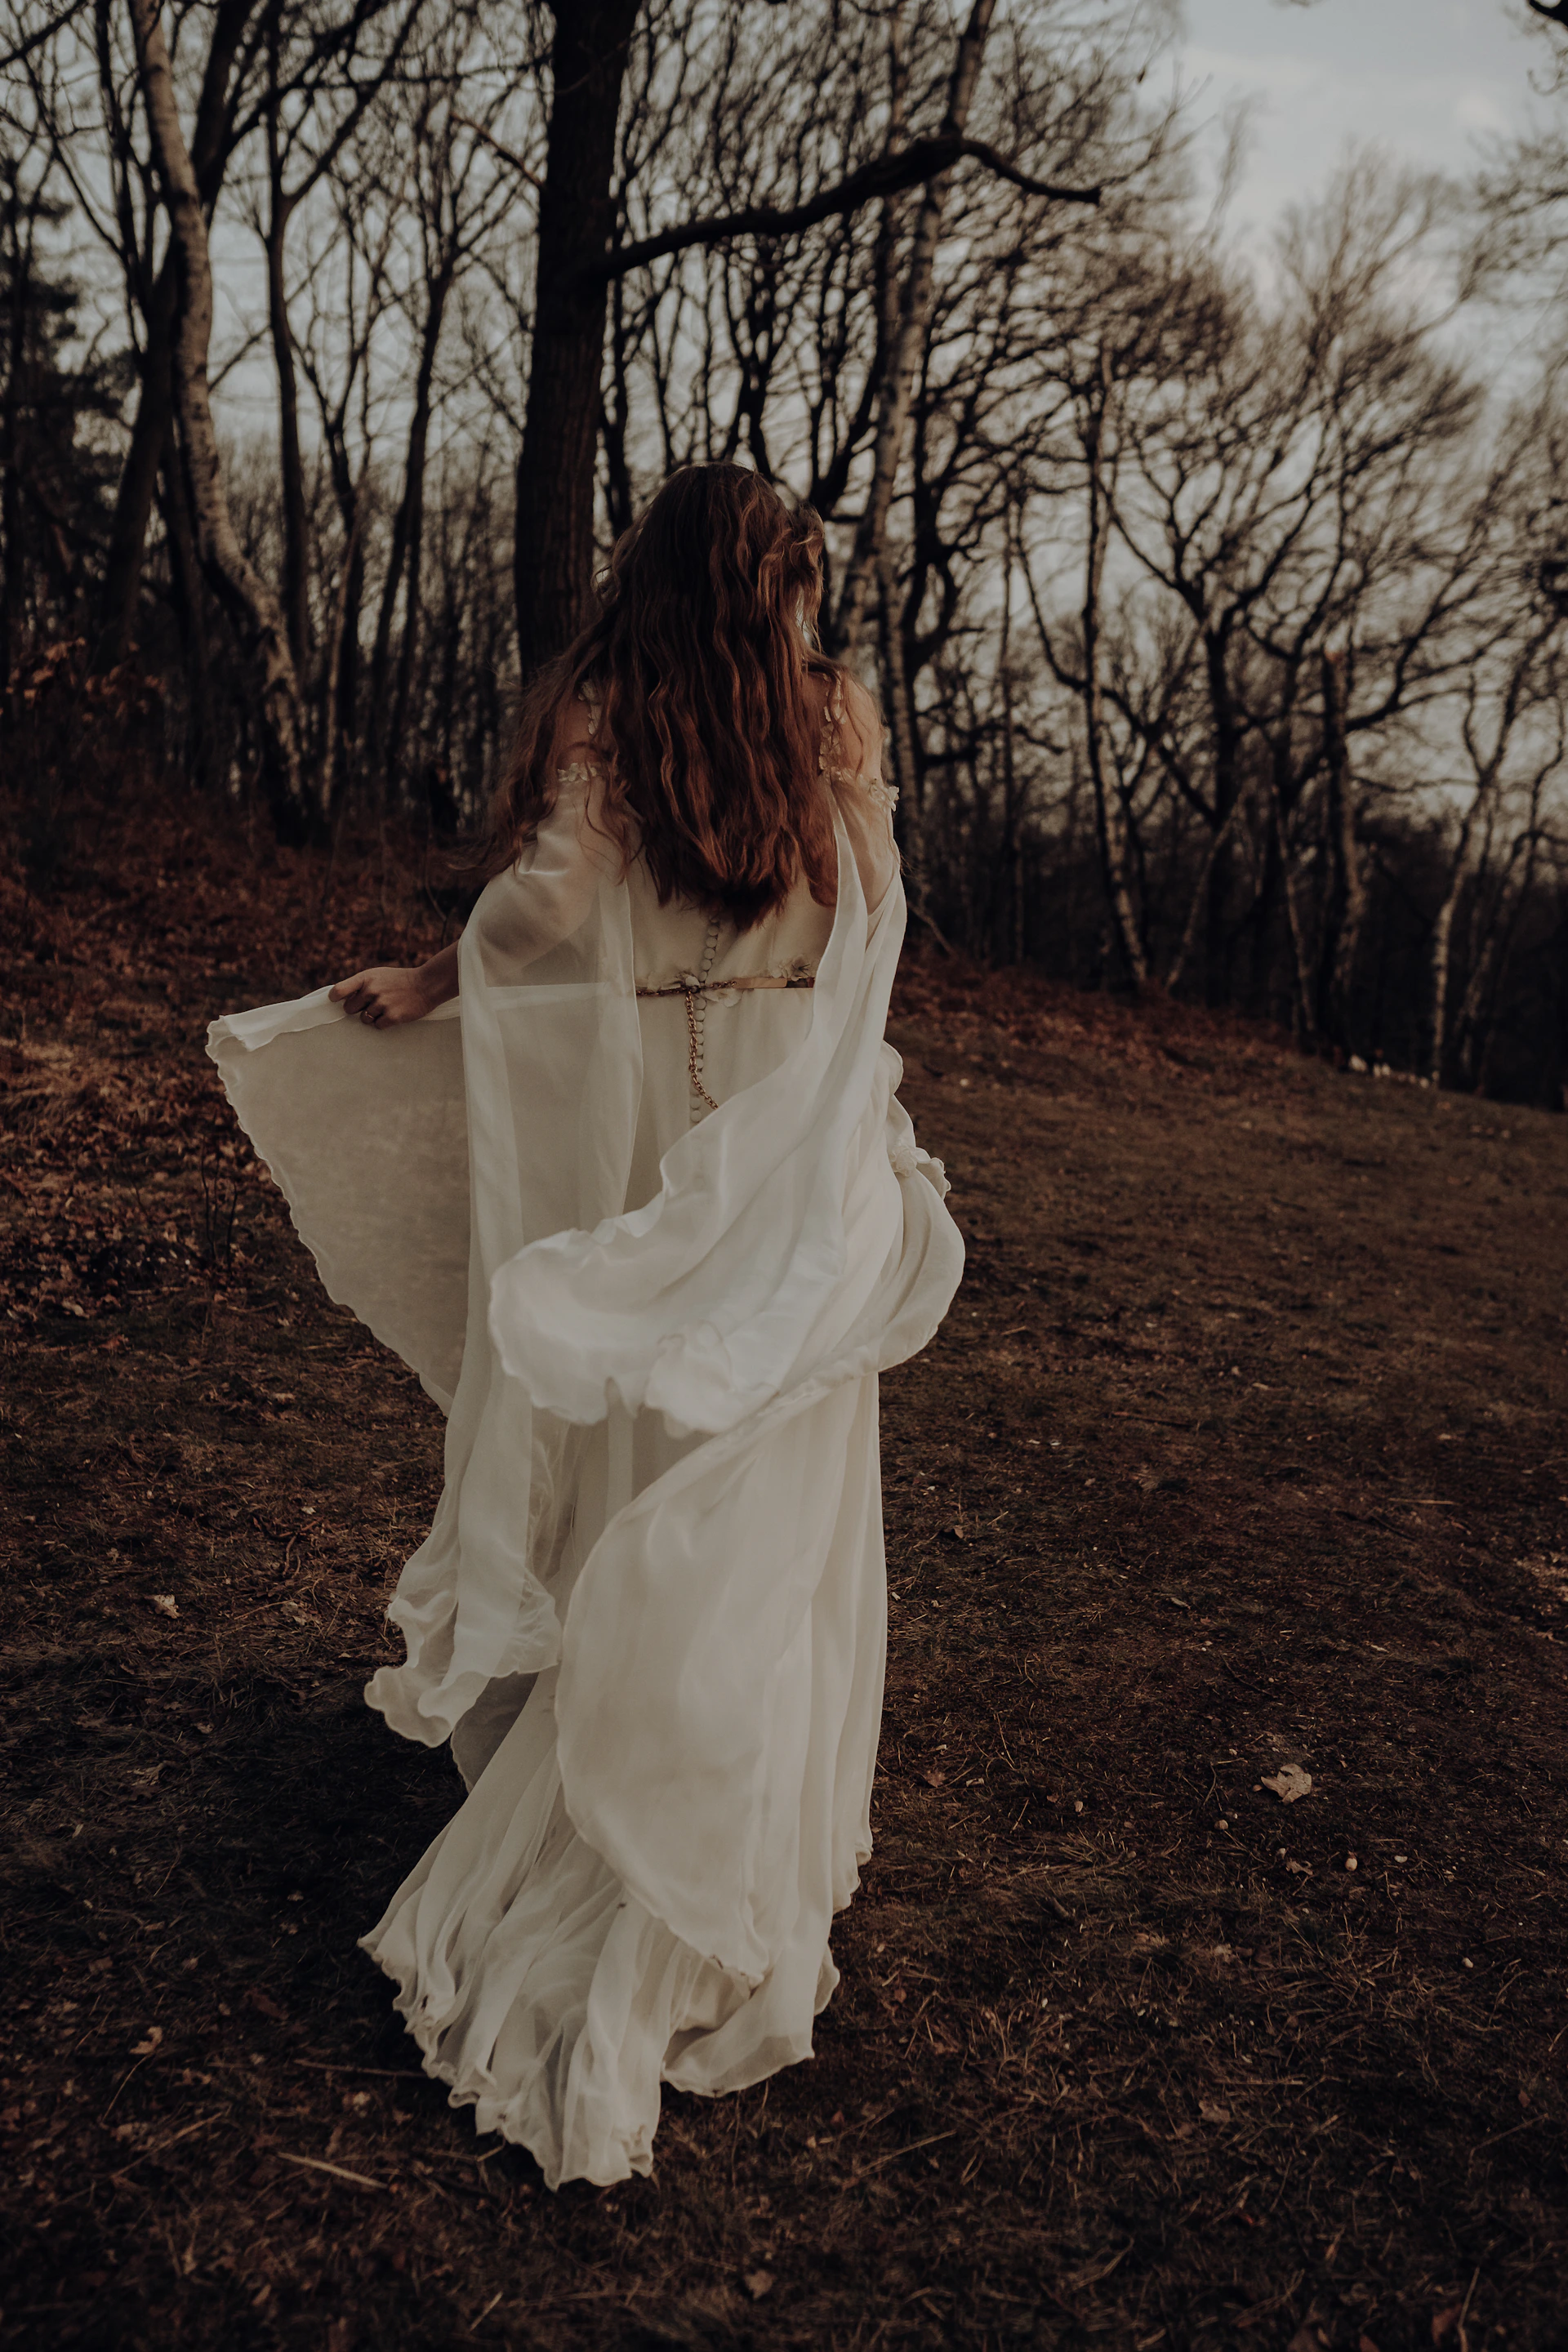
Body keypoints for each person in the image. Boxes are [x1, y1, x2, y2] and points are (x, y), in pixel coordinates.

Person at [207, 463, 964, 2189]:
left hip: (662, 1133)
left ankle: (635, 1766)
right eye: (795, 577)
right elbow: (867, 920)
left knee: (644, 1458)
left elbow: (541, 910)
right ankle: (708, 1806)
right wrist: (845, 1114)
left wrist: (434, 977)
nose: (802, 606)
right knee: (758, 1484)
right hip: (780, 1131)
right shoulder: (830, 719)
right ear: (765, 582)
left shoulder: (611, 716)